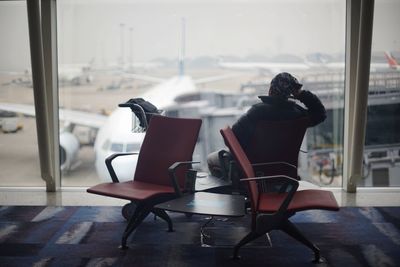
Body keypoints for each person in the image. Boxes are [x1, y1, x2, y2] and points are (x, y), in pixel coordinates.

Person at [207, 72, 327, 179]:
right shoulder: (299, 115)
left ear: (271, 90)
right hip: (284, 174)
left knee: (211, 159)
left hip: (254, 173)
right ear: (292, 93)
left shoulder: (257, 112)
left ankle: (235, 195)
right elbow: (320, 114)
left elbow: (233, 140)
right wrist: (301, 94)